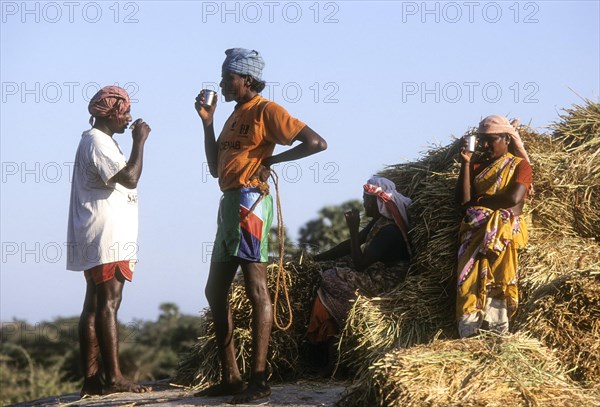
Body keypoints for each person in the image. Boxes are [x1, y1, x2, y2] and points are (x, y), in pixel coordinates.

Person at [194, 48, 327, 404]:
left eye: (228, 78)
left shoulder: (267, 111)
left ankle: (259, 380)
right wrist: (207, 122)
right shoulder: (235, 114)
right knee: (214, 290)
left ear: (246, 80)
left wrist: (270, 160)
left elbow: (316, 142)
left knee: (256, 288)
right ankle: (232, 377)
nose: (222, 84)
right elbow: (214, 168)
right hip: (229, 203)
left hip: (250, 203)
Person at [66, 86, 151, 396]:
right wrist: (139, 142)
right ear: (112, 114)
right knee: (109, 304)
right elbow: (130, 177)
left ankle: (91, 381)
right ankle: (113, 378)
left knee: (93, 306)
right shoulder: (99, 143)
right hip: (108, 236)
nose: (128, 119)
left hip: (96, 233)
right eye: (124, 112)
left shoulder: (96, 141)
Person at [306, 176, 412, 376]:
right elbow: (349, 247)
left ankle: (348, 313)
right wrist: (316, 258)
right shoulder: (378, 223)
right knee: (330, 274)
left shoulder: (389, 230)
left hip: (388, 279)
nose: (363, 203)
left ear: (377, 202)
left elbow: (360, 263)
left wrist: (353, 230)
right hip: (377, 272)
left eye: (366, 199)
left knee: (329, 277)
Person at [455, 115, 533, 338]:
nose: (486, 145)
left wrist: (479, 203)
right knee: (469, 282)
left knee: (497, 282)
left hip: (502, 233)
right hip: (474, 233)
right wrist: (466, 163)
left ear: (507, 139)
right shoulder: (478, 167)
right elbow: (462, 201)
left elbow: (513, 197)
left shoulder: (520, 166)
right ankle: (469, 334)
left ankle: (496, 335)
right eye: (482, 140)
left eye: (492, 139)